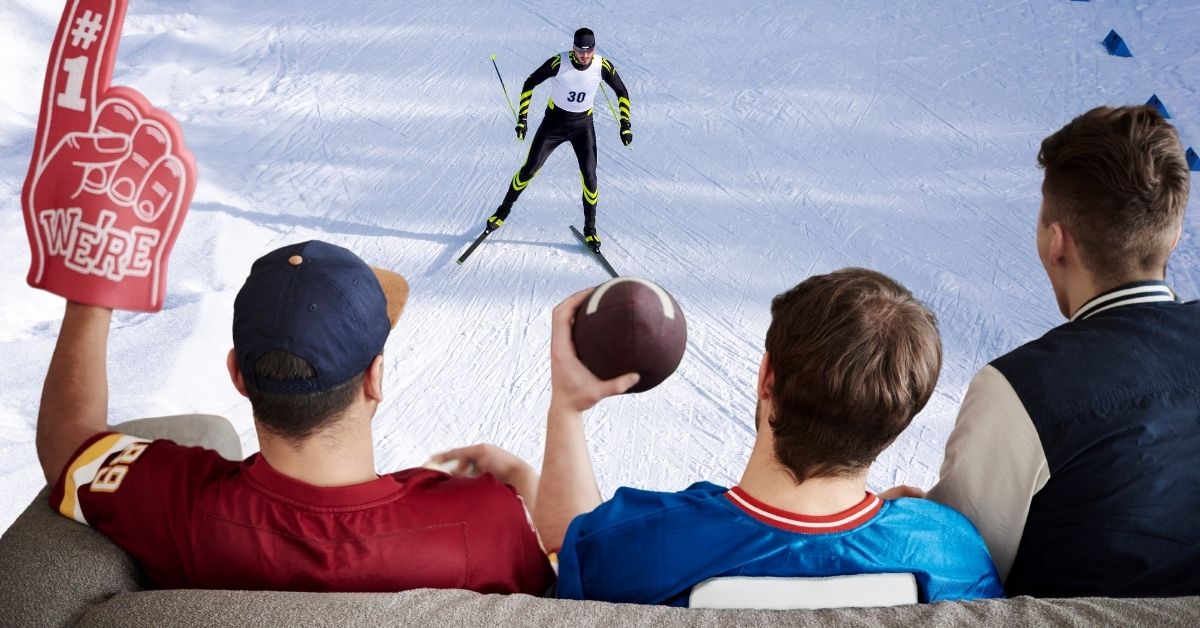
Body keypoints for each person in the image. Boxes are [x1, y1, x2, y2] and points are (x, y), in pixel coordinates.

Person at [448, 269, 1003, 606]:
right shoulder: (949, 551)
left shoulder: (638, 542)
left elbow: (570, 542)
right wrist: (906, 521)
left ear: (766, 379)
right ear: (900, 417)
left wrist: (567, 408)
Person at [40, 240, 555, 593]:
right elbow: (559, 597)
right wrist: (527, 487)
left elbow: (68, 444)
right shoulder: (484, 519)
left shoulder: (177, 505)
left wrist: (90, 300)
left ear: (237, 375)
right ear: (375, 378)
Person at [921, 105, 1198, 598]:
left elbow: (952, 577)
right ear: (1174, 239)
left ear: (1056, 243)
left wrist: (914, 526)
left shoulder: (1019, 391)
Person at [484, 27, 633, 253]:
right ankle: (502, 212)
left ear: (594, 48)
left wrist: (625, 124)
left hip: (583, 126)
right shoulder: (559, 62)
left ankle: (590, 230)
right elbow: (530, 82)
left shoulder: (602, 65)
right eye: (580, 50)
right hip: (554, 124)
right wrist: (522, 119)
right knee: (529, 170)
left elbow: (621, 91)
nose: (585, 55)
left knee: (590, 178)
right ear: (573, 48)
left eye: (589, 50)